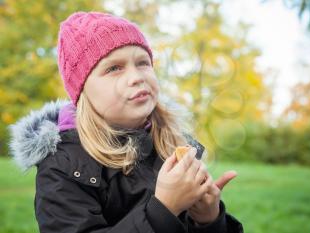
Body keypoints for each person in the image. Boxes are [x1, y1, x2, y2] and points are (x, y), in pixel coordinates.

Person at [9, 11, 243, 233]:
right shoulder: (63, 165)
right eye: (114, 68)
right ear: (82, 92)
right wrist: (163, 210)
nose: (137, 76)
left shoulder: (175, 145)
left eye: (143, 63)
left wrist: (208, 220)